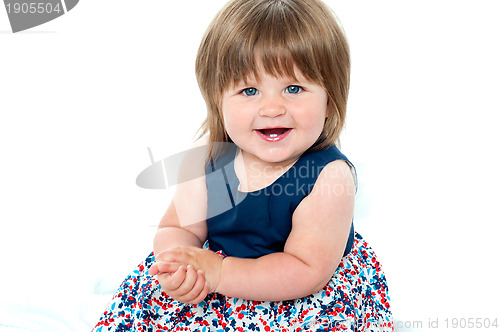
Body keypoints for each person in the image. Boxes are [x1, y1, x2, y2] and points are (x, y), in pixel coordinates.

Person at [93, 0, 393, 330]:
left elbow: (304, 270)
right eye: (249, 90)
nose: (272, 108)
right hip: (216, 274)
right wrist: (180, 264)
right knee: (143, 300)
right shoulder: (209, 160)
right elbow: (177, 227)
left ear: (329, 101)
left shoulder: (327, 177)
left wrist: (221, 273)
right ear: (217, 101)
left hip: (296, 290)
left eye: (294, 88)